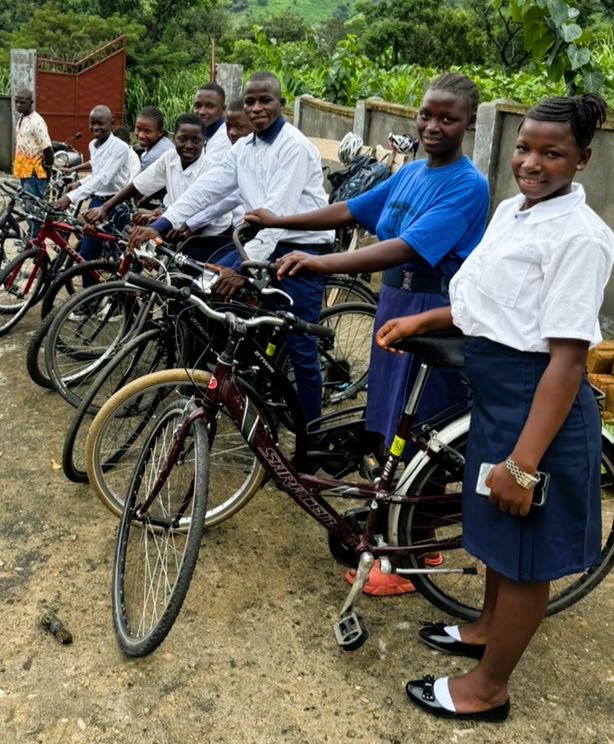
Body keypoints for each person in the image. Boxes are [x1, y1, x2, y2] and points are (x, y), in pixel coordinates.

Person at [376, 94, 614, 722]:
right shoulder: (515, 210)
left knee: (526, 559)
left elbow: (565, 360)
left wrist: (526, 464)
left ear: (582, 159)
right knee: (498, 541)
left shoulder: (581, 237)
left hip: (541, 411)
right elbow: (493, 301)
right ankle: (484, 627)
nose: (531, 163)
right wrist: (428, 315)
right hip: (496, 399)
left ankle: (489, 689)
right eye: (524, 147)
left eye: (551, 153)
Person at [245, 73, 489, 595]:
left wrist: (320, 263)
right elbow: (352, 209)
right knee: (391, 423)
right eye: (426, 114)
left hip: (433, 311)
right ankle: (396, 522)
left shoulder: (468, 185)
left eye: (447, 118)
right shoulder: (412, 172)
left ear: (468, 122)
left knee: (425, 432)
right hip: (395, 303)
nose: (433, 126)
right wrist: (283, 219)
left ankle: (414, 553)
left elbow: (405, 248)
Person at [127, 72, 334, 426]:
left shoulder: (294, 147)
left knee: (301, 349)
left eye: (264, 100)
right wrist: (161, 224)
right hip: (259, 240)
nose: (256, 108)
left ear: (280, 103)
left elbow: (279, 215)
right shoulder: (244, 148)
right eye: (250, 101)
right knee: (200, 292)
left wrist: (243, 266)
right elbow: (207, 189)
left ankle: (310, 431)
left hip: (299, 246)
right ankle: (228, 382)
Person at [86, 111, 245, 263]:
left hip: (210, 238)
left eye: (196, 141)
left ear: (204, 141)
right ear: (173, 138)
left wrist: (178, 232)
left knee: (194, 285)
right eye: (182, 139)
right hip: (178, 225)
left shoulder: (211, 168)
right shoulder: (169, 158)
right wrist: (105, 208)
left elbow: (207, 211)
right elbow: (138, 184)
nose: (189, 145)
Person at [53, 105, 132, 277]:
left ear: (112, 124)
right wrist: (80, 184)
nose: (96, 128)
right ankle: (90, 302)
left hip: (116, 204)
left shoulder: (120, 148)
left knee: (117, 257)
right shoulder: (92, 145)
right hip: (97, 203)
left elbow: (105, 177)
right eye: (92, 123)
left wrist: (70, 197)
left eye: (100, 123)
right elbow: (97, 173)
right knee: (87, 255)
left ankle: (118, 299)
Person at [13, 88, 54, 199]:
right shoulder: (22, 118)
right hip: (24, 171)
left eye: (22, 102)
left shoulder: (36, 122)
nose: (18, 105)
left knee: (33, 210)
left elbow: (47, 148)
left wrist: (48, 169)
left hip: (34, 174)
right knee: (27, 206)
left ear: (31, 103)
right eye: (16, 101)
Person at [193, 83, 231, 164]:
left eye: (210, 106)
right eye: (198, 106)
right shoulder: (201, 131)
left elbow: (205, 169)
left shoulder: (225, 136)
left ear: (223, 109)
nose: (202, 112)